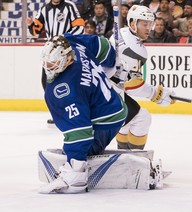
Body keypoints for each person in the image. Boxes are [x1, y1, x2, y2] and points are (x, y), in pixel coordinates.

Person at [39, 34, 127, 193]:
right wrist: (113, 63)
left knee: (78, 147)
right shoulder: (72, 42)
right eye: (46, 61)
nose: (48, 66)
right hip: (112, 103)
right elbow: (103, 46)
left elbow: (80, 133)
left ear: (68, 59)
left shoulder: (64, 89)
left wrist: (75, 164)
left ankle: (76, 177)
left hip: (106, 121)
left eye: (54, 63)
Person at [110, 5, 175, 150]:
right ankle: (135, 160)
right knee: (142, 118)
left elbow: (125, 82)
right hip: (106, 95)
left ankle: (123, 154)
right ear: (133, 24)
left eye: (150, 24)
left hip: (103, 88)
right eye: (144, 24)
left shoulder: (122, 32)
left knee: (131, 117)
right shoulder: (136, 50)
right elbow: (133, 86)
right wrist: (156, 94)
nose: (148, 28)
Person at [26, 0, 85, 124]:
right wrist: (31, 25)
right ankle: (58, 113)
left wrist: (65, 37)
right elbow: (35, 31)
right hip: (51, 52)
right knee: (47, 82)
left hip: (67, 50)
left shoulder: (69, 6)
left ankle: (75, 111)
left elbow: (80, 27)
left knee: (70, 81)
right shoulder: (44, 9)